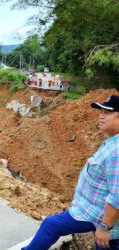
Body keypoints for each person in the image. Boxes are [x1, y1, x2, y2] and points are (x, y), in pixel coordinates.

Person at [22, 95, 119, 250]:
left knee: (51, 225)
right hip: (94, 213)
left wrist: (105, 227)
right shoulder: (112, 142)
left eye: (107, 113)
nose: (101, 116)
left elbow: (117, 196)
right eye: (100, 112)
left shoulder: (117, 151)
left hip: (97, 215)